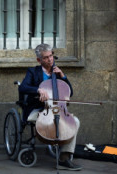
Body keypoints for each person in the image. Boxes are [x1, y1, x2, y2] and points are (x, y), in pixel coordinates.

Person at [19, 43, 82, 171]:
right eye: (46, 57)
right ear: (39, 60)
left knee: (75, 122)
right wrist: (38, 90)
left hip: (56, 109)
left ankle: (64, 158)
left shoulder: (57, 73)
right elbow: (23, 87)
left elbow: (69, 92)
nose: (50, 59)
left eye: (51, 56)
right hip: (37, 109)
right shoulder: (33, 71)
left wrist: (63, 76)